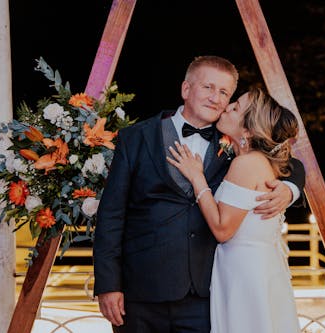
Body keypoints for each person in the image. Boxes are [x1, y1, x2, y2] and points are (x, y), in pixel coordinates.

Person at [93, 56, 305, 332]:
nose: (216, 98)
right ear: (186, 90)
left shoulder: (238, 145)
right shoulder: (136, 137)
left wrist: (290, 189)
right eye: (208, 87)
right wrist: (108, 284)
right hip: (141, 293)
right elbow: (111, 215)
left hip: (208, 296)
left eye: (224, 93)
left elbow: (291, 164)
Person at [167, 86, 301, 332]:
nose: (227, 107)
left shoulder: (246, 163)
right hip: (255, 268)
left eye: (236, 107)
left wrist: (197, 179)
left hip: (244, 275)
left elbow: (222, 229)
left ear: (248, 131)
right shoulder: (260, 162)